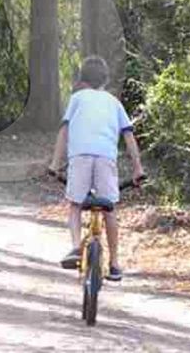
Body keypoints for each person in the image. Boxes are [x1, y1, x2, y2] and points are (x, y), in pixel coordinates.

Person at [48, 56, 144, 281]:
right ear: (106, 80)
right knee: (109, 208)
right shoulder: (114, 102)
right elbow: (128, 136)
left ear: (82, 80)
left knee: (75, 204)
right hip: (105, 158)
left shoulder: (77, 99)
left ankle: (75, 247)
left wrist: (55, 164)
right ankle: (114, 263)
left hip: (80, 157)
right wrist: (137, 169)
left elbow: (64, 131)